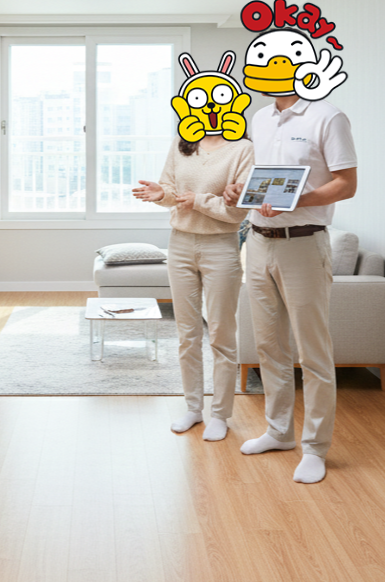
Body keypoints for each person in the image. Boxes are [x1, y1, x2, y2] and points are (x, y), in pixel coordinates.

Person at [224, 91, 356, 483]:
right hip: (257, 240)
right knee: (269, 346)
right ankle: (279, 432)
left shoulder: (328, 117)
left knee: (313, 352)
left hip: (304, 243)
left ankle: (315, 448)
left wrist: (298, 200)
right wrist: (239, 191)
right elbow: (260, 179)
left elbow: (346, 184)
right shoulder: (260, 118)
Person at [133, 132, 254, 441]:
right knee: (187, 334)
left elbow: (238, 210)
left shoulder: (243, 150)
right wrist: (162, 194)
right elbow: (172, 192)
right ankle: (193, 408)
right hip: (180, 244)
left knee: (221, 334)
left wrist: (198, 201)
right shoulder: (182, 142)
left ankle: (220, 415)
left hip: (221, 246)